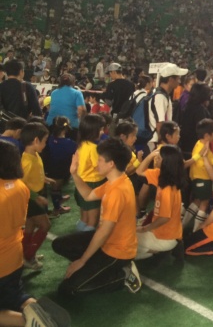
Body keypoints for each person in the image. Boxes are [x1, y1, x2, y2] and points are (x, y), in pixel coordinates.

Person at [52, 138, 141, 295]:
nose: (96, 164)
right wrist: (74, 173)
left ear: (111, 164)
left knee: (69, 290)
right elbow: (88, 195)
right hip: (106, 242)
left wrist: (82, 261)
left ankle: (122, 276)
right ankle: (94, 266)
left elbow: (104, 231)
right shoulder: (115, 180)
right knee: (58, 244)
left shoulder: (118, 191)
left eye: (99, 160)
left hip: (118, 251)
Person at [0, 140, 71, 327]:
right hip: (14, 258)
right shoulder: (20, 187)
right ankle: (38, 312)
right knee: (15, 295)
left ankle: (28, 321)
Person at [135, 145, 185, 261]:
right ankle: (157, 251)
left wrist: (145, 228)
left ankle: (158, 252)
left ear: (166, 163)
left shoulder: (168, 189)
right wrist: (151, 155)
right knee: (128, 240)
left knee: (126, 244)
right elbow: (139, 171)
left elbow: (164, 218)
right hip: (161, 232)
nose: (155, 159)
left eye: (158, 157)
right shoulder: (160, 175)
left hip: (166, 237)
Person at [20, 123, 52, 270]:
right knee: (45, 225)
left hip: (33, 196)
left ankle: (23, 254)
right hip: (31, 199)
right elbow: (21, 183)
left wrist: (44, 179)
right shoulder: (27, 161)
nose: (46, 144)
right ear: (36, 141)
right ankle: (28, 256)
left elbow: (34, 174)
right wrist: (37, 197)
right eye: (45, 141)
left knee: (30, 226)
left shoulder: (34, 154)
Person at [148, 63, 188, 151]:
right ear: (170, 79)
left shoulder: (162, 94)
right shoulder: (160, 96)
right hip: (156, 141)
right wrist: (163, 143)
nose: (179, 82)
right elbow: (160, 123)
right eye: (178, 78)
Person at [46, 74, 86, 138]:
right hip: (70, 126)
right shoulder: (77, 93)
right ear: (73, 82)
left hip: (52, 124)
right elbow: (82, 109)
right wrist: (81, 121)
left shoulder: (54, 92)